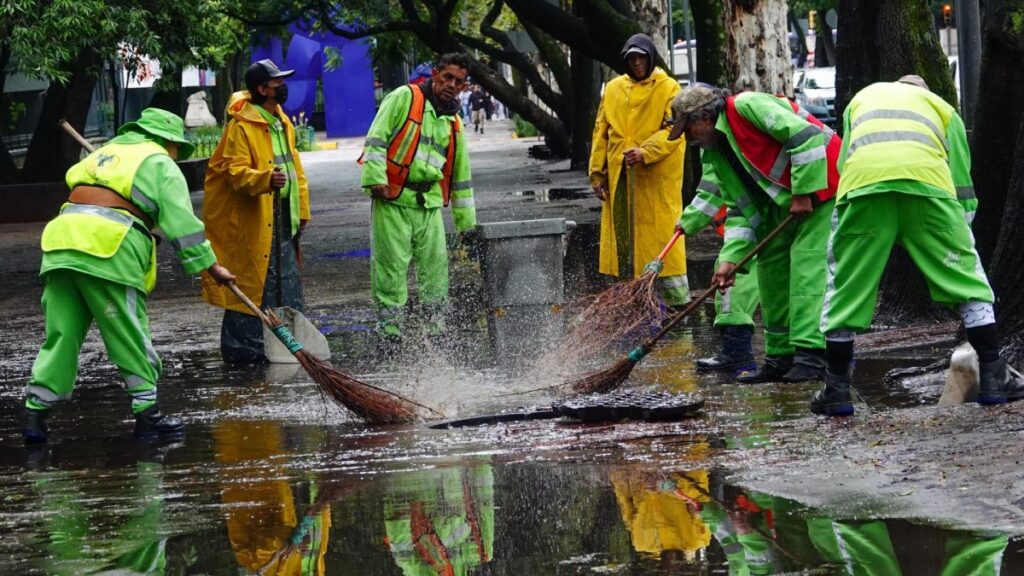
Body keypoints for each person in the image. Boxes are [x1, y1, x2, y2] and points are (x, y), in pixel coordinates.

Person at [812, 75, 1024, 415]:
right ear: (924, 93)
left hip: (865, 193)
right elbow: (961, 177)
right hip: (929, 190)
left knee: (844, 289)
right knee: (969, 283)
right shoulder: (941, 109)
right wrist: (960, 237)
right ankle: (995, 378)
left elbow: (844, 160)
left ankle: (836, 389)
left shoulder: (863, 99)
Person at [22, 108, 235, 443]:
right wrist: (210, 265)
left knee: (61, 334)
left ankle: (34, 417)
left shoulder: (107, 153)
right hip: (108, 249)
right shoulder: (160, 162)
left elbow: (78, 183)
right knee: (128, 330)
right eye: (177, 146)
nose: (177, 152)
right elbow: (182, 226)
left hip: (61, 244)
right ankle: (148, 416)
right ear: (167, 140)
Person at [667, 84, 842, 383]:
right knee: (771, 273)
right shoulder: (716, 154)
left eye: (687, 129)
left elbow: (805, 136)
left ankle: (812, 356)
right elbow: (740, 209)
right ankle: (779, 358)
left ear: (704, 118)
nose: (687, 138)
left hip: (822, 189)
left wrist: (804, 192)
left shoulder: (747, 107)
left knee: (806, 270)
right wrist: (730, 260)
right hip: (780, 205)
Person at [360, 52, 476, 348]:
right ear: (434, 74)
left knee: (436, 271)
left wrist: (467, 226)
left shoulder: (453, 121)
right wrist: (375, 181)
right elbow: (377, 138)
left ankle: (436, 332)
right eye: (447, 77)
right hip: (394, 198)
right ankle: (390, 334)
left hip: (429, 203)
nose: (451, 84)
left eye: (459, 81)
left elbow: (461, 177)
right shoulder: (405, 97)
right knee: (390, 269)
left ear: (464, 86)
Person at [202, 59, 311, 364]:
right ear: (262, 89)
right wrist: (265, 179)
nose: (283, 87)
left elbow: (294, 167)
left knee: (285, 282)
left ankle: (283, 345)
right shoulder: (242, 125)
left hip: (281, 218)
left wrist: (301, 211)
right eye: (277, 82)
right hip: (257, 220)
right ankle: (244, 352)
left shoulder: (279, 120)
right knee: (254, 283)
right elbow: (236, 172)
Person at [590, 33, 690, 310]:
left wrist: (646, 152)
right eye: (632, 58)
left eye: (641, 58)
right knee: (624, 242)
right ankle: (631, 300)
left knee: (661, 239)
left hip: (655, 180)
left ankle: (674, 303)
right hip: (620, 175)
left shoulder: (668, 88)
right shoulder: (612, 88)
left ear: (651, 58)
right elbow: (602, 131)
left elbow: (675, 130)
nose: (637, 63)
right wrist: (597, 173)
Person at [677, 190, 760, 375]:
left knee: (732, 280)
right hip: (775, 211)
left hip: (752, 216)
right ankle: (789, 359)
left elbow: (712, 187)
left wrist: (689, 221)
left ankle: (737, 353)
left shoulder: (720, 160)